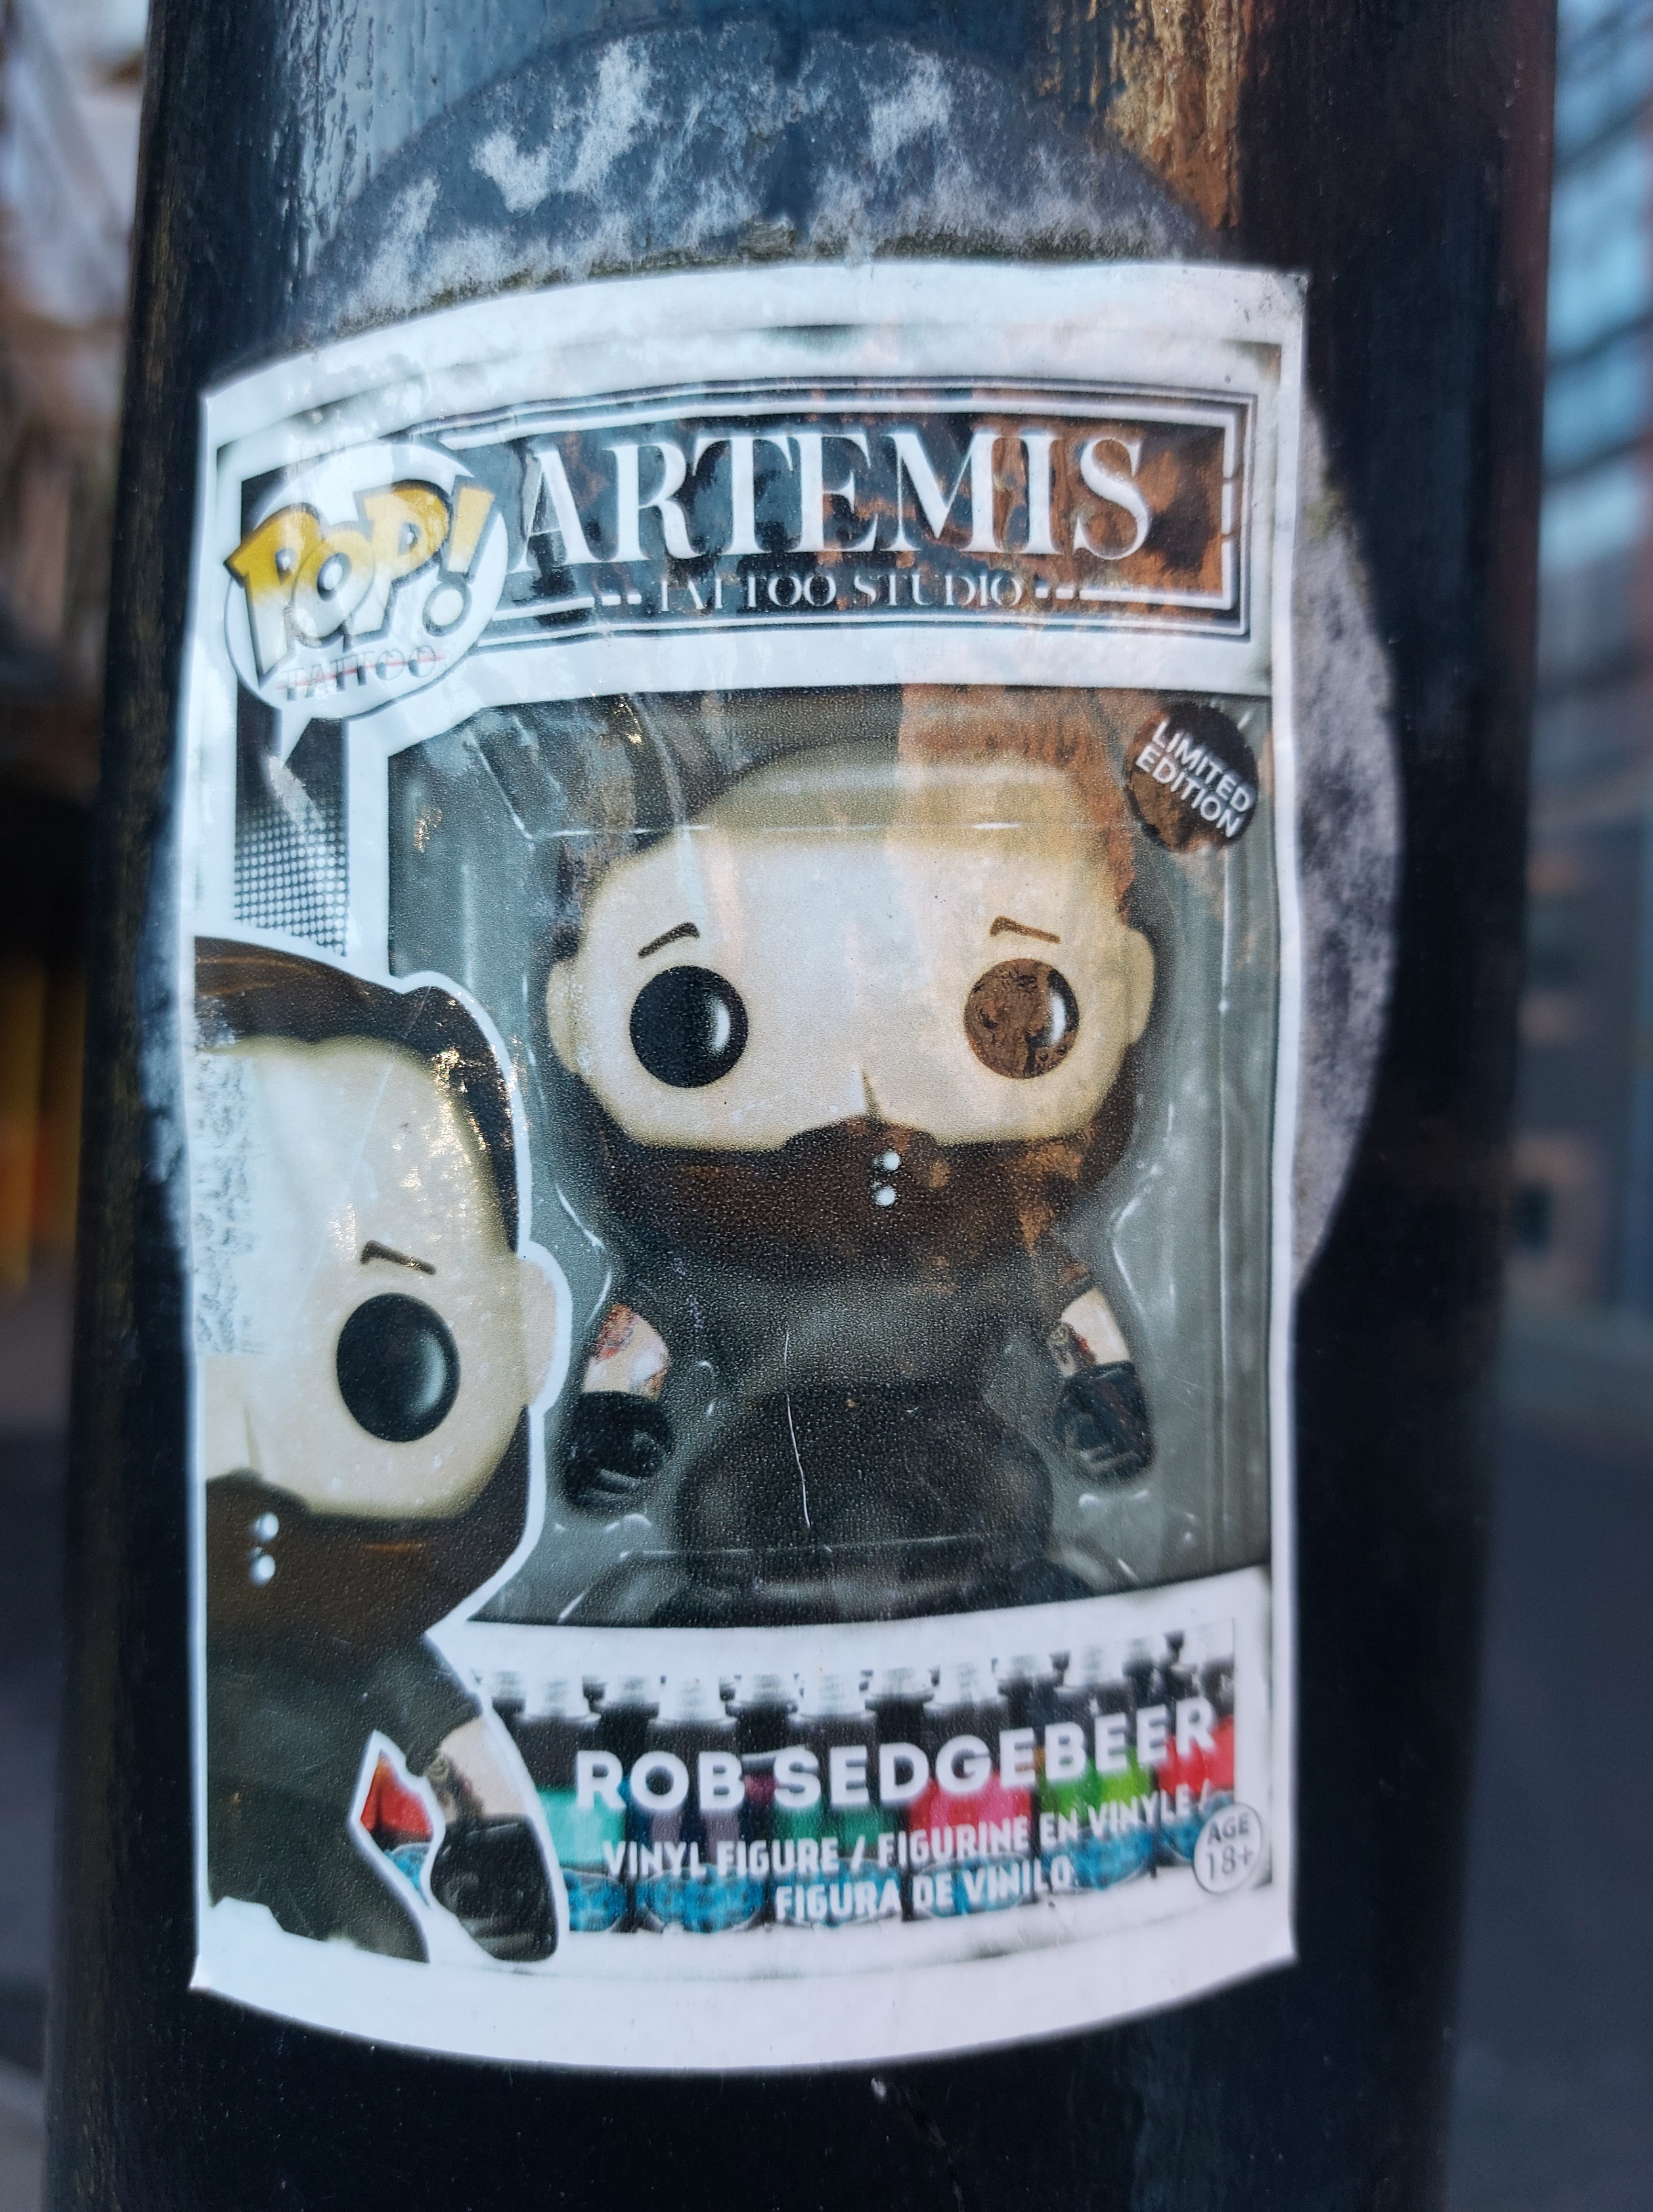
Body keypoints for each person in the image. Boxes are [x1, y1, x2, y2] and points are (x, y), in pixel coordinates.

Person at [541, 736, 1157, 1626]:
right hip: (769, 1448)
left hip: (956, 1444)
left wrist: (1103, 1394)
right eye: (693, 1022)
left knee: (1009, 1495)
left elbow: (1068, 1313)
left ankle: (1000, 1612)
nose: (856, 1111)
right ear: (573, 1018)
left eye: (1013, 1005)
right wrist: (612, 1425)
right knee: (720, 1510)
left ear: (1126, 989)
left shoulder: (995, 1247)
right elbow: (641, 1338)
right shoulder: (716, 1260)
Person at [192, 940, 565, 1961]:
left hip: (301, 1855)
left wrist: (497, 1851)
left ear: (520, 1333)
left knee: (383, 1952)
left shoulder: (364, 1622)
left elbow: (454, 1747)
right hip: (162, 1841)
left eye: (388, 1353)